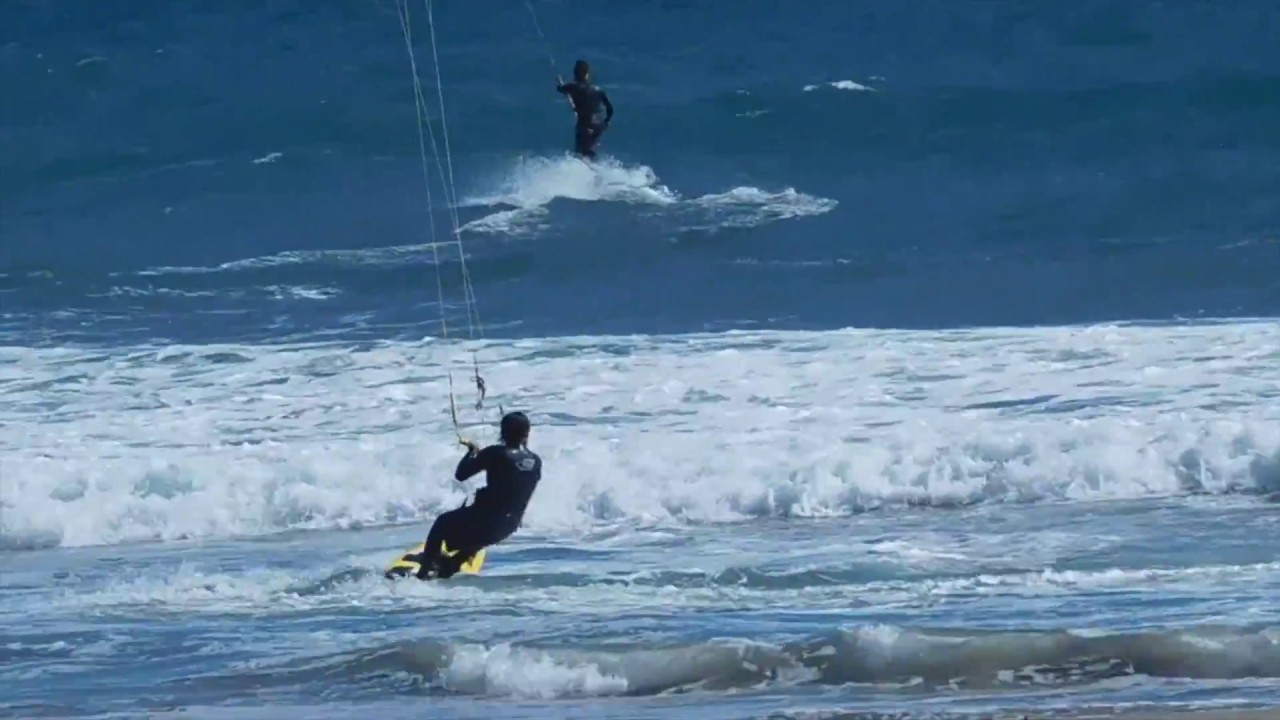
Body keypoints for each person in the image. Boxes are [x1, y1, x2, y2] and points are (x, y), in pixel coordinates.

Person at [415, 411, 542, 579]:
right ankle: (453, 564)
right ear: (527, 433)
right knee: (476, 525)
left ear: (502, 432)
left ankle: (424, 571)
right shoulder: (536, 461)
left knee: (442, 523)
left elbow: (461, 475)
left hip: (484, 523)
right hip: (508, 527)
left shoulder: (496, 453)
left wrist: (472, 452)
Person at [556, 59, 614, 159]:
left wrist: (559, 84)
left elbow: (561, 89)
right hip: (599, 126)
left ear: (575, 73)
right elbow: (610, 108)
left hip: (584, 126)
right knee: (589, 148)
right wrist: (607, 121)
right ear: (587, 74)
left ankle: (586, 165)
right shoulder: (598, 90)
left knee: (581, 152)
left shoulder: (573, 86)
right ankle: (594, 163)